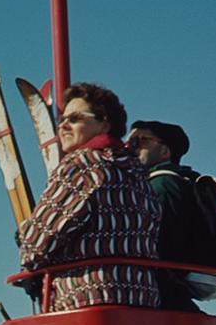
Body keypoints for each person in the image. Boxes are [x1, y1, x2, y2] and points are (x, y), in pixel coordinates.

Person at [18, 83, 162, 312]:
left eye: (74, 118)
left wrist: (25, 236)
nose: (63, 125)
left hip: (86, 300)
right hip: (142, 302)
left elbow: (37, 246)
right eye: (61, 120)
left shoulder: (82, 167)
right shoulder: (139, 177)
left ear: (104, 123)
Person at [126, 120, 207, 310]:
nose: (129, 148)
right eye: (128, 142)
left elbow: (160, 242)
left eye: (140, 141)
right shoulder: (181, 182)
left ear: (164, 152)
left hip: (161, 292)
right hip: (174, 289)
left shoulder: (162, 185)